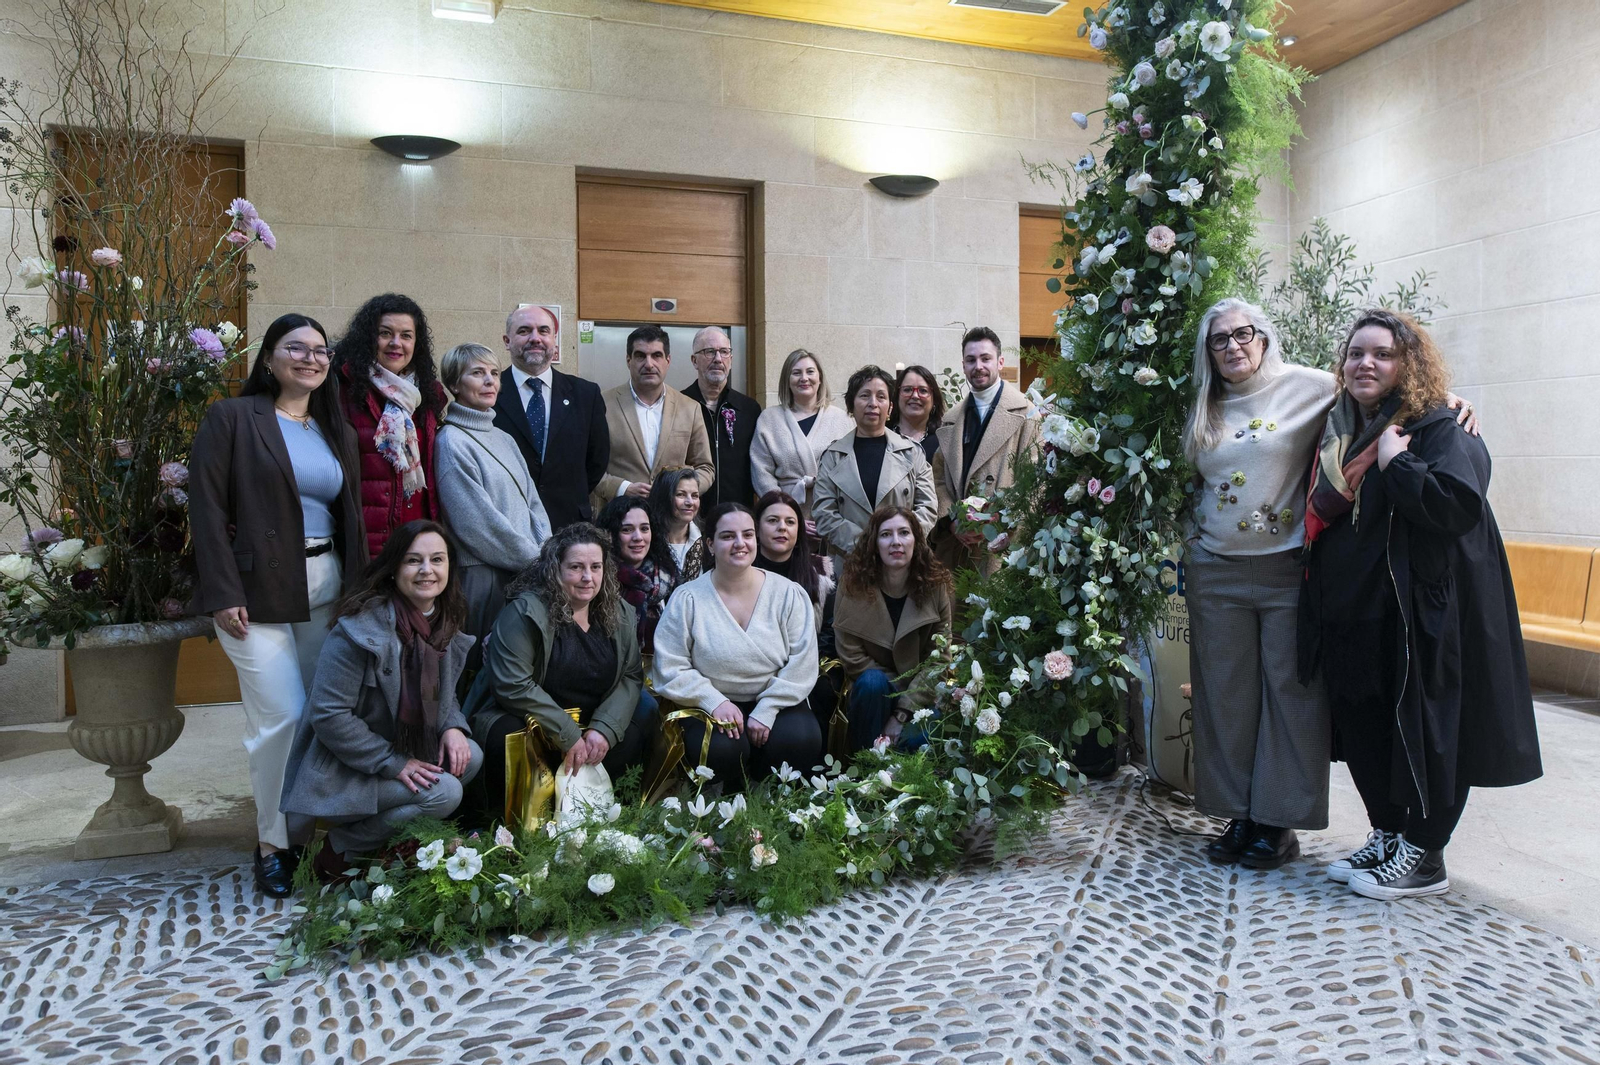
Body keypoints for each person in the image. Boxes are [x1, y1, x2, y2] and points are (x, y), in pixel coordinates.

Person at [1181, 298, 1479, 871]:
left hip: (1289, 566)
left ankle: (1277, 821)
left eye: (1244, 334)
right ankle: (1239, 813)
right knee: (1226, 697)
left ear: (1265, 338)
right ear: (1208, 352)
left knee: (1291, 696)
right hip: (1214, 568)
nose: (1233, 347)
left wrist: (1451, 401)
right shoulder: (1202, 404)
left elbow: (1390, 387)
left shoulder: (1313, 386)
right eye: (1219, 340)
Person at [1300, 309, 1539, 900]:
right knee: (1363, 726)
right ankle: (1388, 831)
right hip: (1353, 611)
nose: (1366, 363)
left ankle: (1425, 853)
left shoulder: (1443, 429)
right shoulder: (1338, 428)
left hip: (1417, 617)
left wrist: (1397, 463)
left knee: (1427, 731)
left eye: (1382, 354)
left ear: (1409, 364)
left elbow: (1456, 506)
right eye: (1356, 353)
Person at [188, 312, 367, 897]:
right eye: (296, 348)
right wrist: (221, 592)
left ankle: (314, 833)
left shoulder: (330, 427)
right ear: (268, 358)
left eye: (320, 351)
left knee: (322, 714)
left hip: (326, 585)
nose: (310, 359)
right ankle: (272, 842)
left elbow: (350, 518)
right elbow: (207, 511)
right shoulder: (234, 418)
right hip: (255, 593)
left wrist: (360, 591)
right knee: (281, 719)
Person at [280, 521, 482, 874]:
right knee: (445, 792)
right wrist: (394, 763)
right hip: (349, 767)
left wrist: (452, 726)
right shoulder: (360, 629)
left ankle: (393, 844)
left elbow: (442, 697)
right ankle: (340, 849)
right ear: (393, 569)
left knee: (470, 755)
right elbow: (329, 716)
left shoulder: (441, 622)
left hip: (399, 751)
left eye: (437, 559)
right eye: (413, 561)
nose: (426, 570)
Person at [464, 523, 657, 817]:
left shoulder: (618, 612)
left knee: (639, 717)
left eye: (596, 566)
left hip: (592, 719)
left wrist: (603, 730)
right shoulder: (524, 612)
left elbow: (631, 675)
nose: (587, 577)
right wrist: (568, 735)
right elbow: (513, 685)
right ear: (555, 569)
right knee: (505, 732)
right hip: (535, 720)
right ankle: (512, 821)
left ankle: (606, 813)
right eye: (576, 567)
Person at [651, 503, 822, 790]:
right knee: (723, 750)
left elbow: (802, 661)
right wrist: (713, 701)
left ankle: (774, 807)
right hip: (709, 704)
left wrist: (767, 709)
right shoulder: (687, 599)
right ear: (710, 544)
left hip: (777, 701)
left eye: (748, 534)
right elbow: (671, 664)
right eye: (728, 536)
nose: (740, 543)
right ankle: (721, 812)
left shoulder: (789, 594)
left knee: (800, 739)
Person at [433, 342, 551, 658]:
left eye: (494, 373)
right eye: (477, 373)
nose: (490, 381)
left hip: (526, 571)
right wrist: (538, 561)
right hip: (485, 578)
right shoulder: (451, 441)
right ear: (455, 384)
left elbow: (533, 504)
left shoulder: (504, 438)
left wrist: (548, 551)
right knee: (482, 672)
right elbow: (476, 524)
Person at [330, 293, 447, 556]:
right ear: (368, 337)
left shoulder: (428, 396)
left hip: (416, 541)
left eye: (406, 335)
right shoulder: (341, 390)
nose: (396, 343)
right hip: (362, 543)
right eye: (385, 333)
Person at [834, 505, 953, 751]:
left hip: (920, 695)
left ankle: (898, 781)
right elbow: (850, 655)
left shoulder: (935, 586)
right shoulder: (852, 584)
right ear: (874, 543)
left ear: (916, 540)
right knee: (872, 682)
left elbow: (939, 658)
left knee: (926, 735)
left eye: (904, 533)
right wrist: (897, 692)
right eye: (886, 534)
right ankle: (862, 769)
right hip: (874, 694)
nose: (896, 542)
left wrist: (902, 713)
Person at [492, 304, 609, 532]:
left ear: (555, 340)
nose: (535, 338)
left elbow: (597, 460)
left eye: (544, 331)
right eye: (524, 331)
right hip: (508, 524)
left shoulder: (586, 394)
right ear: (507, 341)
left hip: (570, 526)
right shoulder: (490, 393)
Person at [931, 327, 1038, 573]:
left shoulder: (1027, 414)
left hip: (1004, 543)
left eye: (985, 358)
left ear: (1000, 362)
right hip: (958, 547)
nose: (978, 366)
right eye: (971, 360)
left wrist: (995, 518)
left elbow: (1035, 479)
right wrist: (951, 520)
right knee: (956, 611)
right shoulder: (950, 419)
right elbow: (938, 479)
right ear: (963, 365)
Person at [813, 364, 937, 559]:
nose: (873, 403)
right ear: (851, 405)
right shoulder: (833, 456)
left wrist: (897, 543)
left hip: (903, 561)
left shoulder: (912, 453)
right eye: (864, 396)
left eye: (881, 396)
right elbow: (824, 513)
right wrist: (868, 547)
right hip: (851, 560)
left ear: (890, 407)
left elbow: (927, 508)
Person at [593, 324, 714, 516]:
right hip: (619, 521)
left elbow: (705, 468)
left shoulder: (690, 408)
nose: (649, 364)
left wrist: (681, 491)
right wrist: (623, 488)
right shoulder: (601, 404)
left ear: (668, 360)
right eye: (641, 355)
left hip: (672, 522)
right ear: (628, 360)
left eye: (656, 355)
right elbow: (588, 467)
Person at [754, 490, 838, 726]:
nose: (782, 528)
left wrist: (800, 664)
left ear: (799, 531)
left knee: (826, 686)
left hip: (809, 666)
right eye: (773, 520)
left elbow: (831, 629)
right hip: (752, 667)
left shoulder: (823, 571)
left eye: (790, 522)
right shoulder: (740, 571)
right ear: (757, 529)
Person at [749, 348, 854, 537]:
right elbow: (761, 471)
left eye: (810, 372)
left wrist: (834, 514)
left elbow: (851, 471)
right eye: (796, 373)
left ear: (820, 378)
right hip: (784, 516)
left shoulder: (842, 419)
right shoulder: (769, 419)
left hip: (833, 512)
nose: (804, 378)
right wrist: (786, 515)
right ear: (787, 381)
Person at [682, 325, 760, 508]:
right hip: (689, 515)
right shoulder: (679, 405)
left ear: (731, 359)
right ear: (694, 361)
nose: (718, 359)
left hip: (738, 515)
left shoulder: (749, 409)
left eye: (724, 352)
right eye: (709, 352)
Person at [598, 496, 677, 656]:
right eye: (627, 529)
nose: (638, 537)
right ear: (610, 534)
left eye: (644, 528)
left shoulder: (668, 576)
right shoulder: (597, 580)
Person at [648, 466, 704, 579]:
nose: (690, 502)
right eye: (681, 495)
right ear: (664, 498)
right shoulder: (646, 542)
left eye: (695, 496)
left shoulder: (707, 544)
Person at [889, 364, 946, 465]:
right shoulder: (883, 435)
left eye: (923, 391)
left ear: (934, 400)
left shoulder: (943, 441)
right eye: (907, 390)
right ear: (897, 396)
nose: (915, 396)